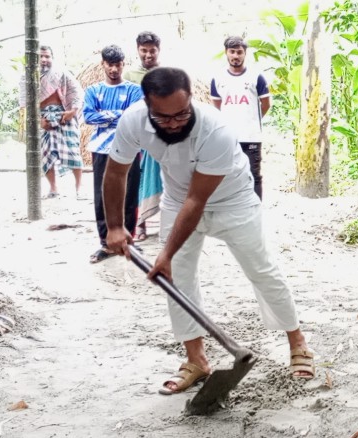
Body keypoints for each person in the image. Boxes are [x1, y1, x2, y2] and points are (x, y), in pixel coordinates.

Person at [103, 67, 314, 394]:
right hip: (176, 199)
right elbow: (116, 173)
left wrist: (165, 252)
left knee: (261, 269)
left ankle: (297, 341)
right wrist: (116, 226)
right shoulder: (132, 121)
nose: (174, 123)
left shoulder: (215, 129)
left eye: (182, 114)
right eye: (164, 118)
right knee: (177, 277)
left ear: (192, 100)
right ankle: (196, 361)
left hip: (232, 200)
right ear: (147, 105)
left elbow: (197, 200)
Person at [82, 45, 144, 264]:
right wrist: (119, 114)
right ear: (103, 64)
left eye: (118, 64)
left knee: (130, 194)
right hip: (101, 149)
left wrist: (105, 115)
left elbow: (135, 115)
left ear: (123, 64)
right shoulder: (92, 91)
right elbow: (88, 116)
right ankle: (106, 244)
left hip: (130, 146)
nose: (115, 69)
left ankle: (129, 242)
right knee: (101, 197)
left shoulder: (135, 90)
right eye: (110, 64)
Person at [210, 36, 271, 200]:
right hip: (227, 137)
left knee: (254, 176)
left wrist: (252, 120)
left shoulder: (256, 77)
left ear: (245, 54)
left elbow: (265, 104)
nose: (235, 56)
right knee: (228, 177)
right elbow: (217, 107)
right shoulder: (217, 78)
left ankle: (255, 211)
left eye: (239, 52)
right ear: (226, 53)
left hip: (251, 136)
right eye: (232, 52)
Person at [125, 31, 164, 242]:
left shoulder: (168, 73)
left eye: (152, 50)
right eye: (144, 50)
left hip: (162, 136)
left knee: (168, 178)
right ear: (138, 50)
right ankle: (139, 224)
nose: (148, 54)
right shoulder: (129, 76)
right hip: (136, 137)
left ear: (159, 50)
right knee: (138, 180)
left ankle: (169, 224)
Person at [38, 45, 84, 199]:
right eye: (41, 56)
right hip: (43, 117)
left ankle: (79, 188)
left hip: (64, 116)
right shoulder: (28, 78)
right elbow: (26, 103)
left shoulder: (62, 73)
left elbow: (77, 91)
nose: (44, 60)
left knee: (73, 152)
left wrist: (73, 111)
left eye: (47, 56)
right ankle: (53, 189)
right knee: (46, 154)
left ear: (52, 58)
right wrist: (39, 121)